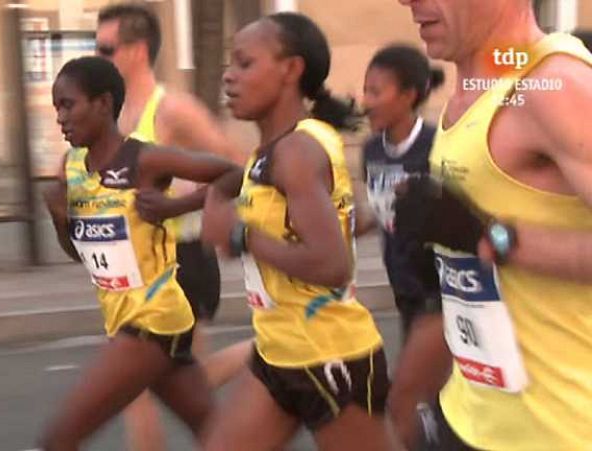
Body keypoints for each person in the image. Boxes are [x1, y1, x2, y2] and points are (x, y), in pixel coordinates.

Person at [389, 0, 592, 449]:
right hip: (473, 417)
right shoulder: (487, 83)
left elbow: (483, 233)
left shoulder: (555, 86)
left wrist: (493, 237)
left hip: (561, 432)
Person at [200, 13, 389, 451]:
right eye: (230, 64)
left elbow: (332, 264)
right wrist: (210, 199)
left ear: (291, 70)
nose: (229, 76)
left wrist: (241, 237)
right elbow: (241, 180)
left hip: (329, 358)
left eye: (244, 64)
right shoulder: (277, 150)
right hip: (277, 354)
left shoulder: (296, 151)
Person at [40, 56, 242, 451]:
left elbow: (232, 173)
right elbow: (81, 254)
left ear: (103, 103)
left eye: (68, 105)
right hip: (134, 322)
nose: (61, 118)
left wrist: (176, 207)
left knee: (57, 440)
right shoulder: (72, 167)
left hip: (150, 323)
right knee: (221, 440)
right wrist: (60, 219)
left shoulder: (144, 159)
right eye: (56, 108)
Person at [94, 4, 245, 450]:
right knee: (176, 385)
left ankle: (271, 353)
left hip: (180, 264)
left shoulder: (173, 109)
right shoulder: (113, 113)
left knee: (138, 386)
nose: (96, 56)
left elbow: (235, 168)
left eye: (105, 48)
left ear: (136, 51)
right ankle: (271, 353)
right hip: (132, 269)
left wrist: (179, 203)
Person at [359, 44, 444, 340]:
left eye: (376, 92)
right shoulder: (371, 150)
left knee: (413, 386)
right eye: (365, 91)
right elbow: (379, 210)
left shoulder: (438, 143)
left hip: (440, 294)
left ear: (408, 96)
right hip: (402, 287)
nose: (366, 102)